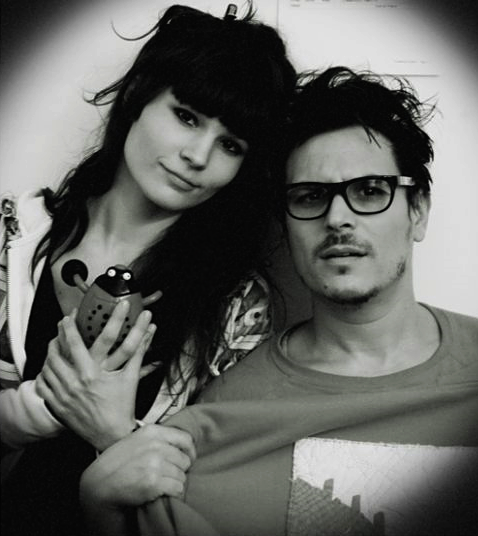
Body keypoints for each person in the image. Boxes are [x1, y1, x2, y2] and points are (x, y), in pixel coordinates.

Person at [80, 66, 478, 536]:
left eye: (370, 191)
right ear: (286, 224)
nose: (338, 218)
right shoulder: (221, 417)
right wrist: (101, 506)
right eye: (310, 197)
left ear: (419, 212)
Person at [0, 3, 296, 534]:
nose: (198, 156)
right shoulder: (12, 238)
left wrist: (113, 432)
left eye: (230, 145)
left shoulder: (237, 308)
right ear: (138, 95)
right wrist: (39, 409)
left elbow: (218, 492)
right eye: (187, 117)